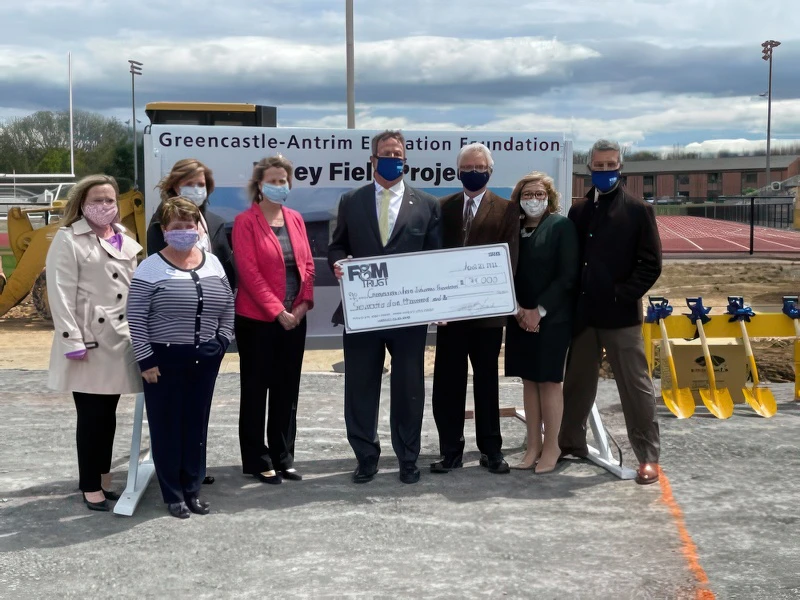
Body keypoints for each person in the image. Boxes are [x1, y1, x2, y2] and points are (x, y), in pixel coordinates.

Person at [328, 130, 442, 485]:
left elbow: (436, 258)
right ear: (373, 160)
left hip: (408, 315)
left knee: (409, 388)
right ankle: (365, 456)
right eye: (385, 153)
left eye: (398, 152)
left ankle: (408, 458)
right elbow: (337, 246)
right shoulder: (352, 200)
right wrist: (338, 263)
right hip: (363, 313)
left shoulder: (426, 204)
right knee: (360, 387)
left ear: (405, 159)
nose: (393, 158)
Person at [558, 139, 663, 485]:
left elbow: (650, 265)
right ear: (589, 169)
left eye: (611, 165)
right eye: (598, 166)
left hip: (621, 318)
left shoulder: (638, 211)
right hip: (585, 316)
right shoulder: (579, 211)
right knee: (576, 383)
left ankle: (647, 456)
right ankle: (568, 441)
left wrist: (621, 295)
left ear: (621, 167)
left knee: (635, 387)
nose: (605, 171)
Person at [127, 197, 234, 518]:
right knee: (167, 426)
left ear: (199, 229)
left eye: (190, 226)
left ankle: (192, 488)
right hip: (163, 359)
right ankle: (172, 493)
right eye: (177, 227)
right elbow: (136, 315)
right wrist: (146, 360)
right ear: (164, 230)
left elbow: (228, 303)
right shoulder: (151, 266)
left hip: (206, 357)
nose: (185, 232)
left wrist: (223, 339)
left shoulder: (213, 263)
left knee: (195, 425)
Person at [45, 174, 143, 512]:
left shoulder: (123, 238)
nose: (105, 206)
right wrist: (72, 338)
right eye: (97, 200)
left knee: (110, 414)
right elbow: (59, 293)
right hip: (87, 342)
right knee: (91, 416)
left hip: (120, 340)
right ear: (81, 205)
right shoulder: (68, 239)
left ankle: (102, 476)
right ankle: (89, 484)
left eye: (110, 200)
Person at [430, 143, 519, 476]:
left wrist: (487, 295)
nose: (473, 172)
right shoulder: (442, 207)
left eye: (479, 167)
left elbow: (509, 261)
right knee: (448, 385)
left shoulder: (507, 209)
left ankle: (491, 450)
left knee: (486, 384)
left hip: (487, 316)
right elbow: (433, 258)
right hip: (450, 317)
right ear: (457, 171)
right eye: (467, 167)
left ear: (490, 171)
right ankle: (450, 450)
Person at [147, 158, 235, 485]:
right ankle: (173, 476)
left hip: (209, 334)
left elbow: (227, 274)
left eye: (201, 184)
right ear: (174, 185)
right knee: (173, 409)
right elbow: (157, 277)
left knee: (198, 408)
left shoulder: (215, 221)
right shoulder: (161, 222)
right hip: (172, 334)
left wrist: (223, 333)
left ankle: (194, 469)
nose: (196, 189)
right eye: (190, 183)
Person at [233, 156, 315, 485]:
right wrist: (276, 310)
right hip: (257, 321)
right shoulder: (245, 221)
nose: (279, 186)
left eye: (284, 181)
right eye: (273, 181)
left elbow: (307, 265)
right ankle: (257, 458)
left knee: (286, 390)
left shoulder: (295, 218)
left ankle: (283, 457)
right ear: (259, 185)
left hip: (294, 319)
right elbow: (249, 273)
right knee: (256, 390)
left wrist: (301, 306)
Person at [504, 171, 578, 474]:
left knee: (549, 382)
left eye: (538, 194)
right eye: (527, 194)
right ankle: (532, 445)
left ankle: (552, 446)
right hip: (518, 317)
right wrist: (518, 309)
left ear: (549, 197)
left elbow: (568, 275)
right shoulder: (514, 229)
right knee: (528, 380)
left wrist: (539, 310)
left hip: (552, 318)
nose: (533, 199)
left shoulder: (562, 227)